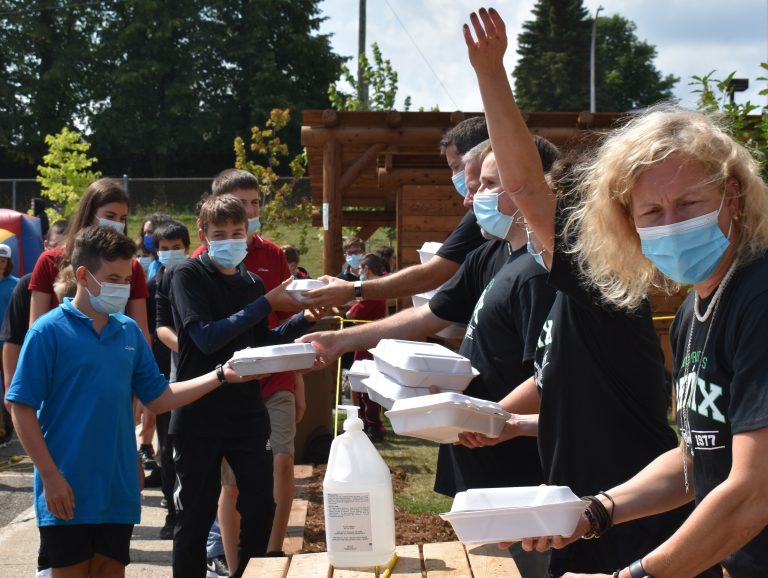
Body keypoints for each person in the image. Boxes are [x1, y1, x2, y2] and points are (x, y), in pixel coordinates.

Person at [458, 9, 722, 578]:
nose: (666, 223)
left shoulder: (603, 289)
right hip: (584, 511)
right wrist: (510, 423)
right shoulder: (569, 295)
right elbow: (578, 402)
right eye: (652, 210)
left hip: (634, 526)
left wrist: (490, 74)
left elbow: (527, 185)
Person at [298, 144, 558, 578]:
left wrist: (492, 419)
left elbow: (549, 378)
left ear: (529, 188)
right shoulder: (491, 255)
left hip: (519, 467)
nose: (471, 198)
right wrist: (341, 341)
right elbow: (428, 315)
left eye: (488, 185)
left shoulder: (540, 272)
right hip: (479, 451)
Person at [5, 225, 269, 578]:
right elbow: (20, 407)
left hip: (118, 487)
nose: (123, 288)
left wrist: (221, 374)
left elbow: (159, 397)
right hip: (66, 486)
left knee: (109, 571)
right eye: (113, 278)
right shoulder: (47, 331)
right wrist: (50, 477)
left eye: (127, 279)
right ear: (83, 276)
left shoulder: (128, 332)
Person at [169, 194, 324, 578]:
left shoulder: (253, 282)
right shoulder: (187, 275)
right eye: (219, 234)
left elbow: (261, 341)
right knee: (195, 517)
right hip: (199, 413)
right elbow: (207, 338)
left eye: (237, 232)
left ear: (249, 232)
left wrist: (302, 320)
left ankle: (248, 574)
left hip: (246, 414)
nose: (230, 241)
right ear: (203, 235)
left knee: (261, 505)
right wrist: (266, 302)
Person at [190, 169, 304, 572]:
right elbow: (203, 338)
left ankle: (270, 555)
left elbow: (273, 331)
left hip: (274, 380)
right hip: (224, 389)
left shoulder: (271, 256)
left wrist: (298, 374)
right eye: (243, 203)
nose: (252, 211)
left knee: (281, 463)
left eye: (255, 204)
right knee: (230, 483)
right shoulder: (194, 269)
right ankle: (229, 558)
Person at [28, 179, 151, 347]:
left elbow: (141, 332)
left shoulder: (132, 266)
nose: (118, 223)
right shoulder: (50, 260)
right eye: (109, 216)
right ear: (88, 214)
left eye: (123, 218)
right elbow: (36, 328)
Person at [0, 220, 68, 450]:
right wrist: (10, 386)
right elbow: (13, 339)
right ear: (47, 246)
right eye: (57, 249)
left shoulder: (85, 284)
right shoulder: (27, 285)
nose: (61, 258)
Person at [346, 254, 389, 441]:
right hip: (370, 342)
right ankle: (369, 423)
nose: (359, 273)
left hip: (368, 345)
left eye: (360, 270)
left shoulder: (373, 291)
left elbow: (351, 314)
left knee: (365, 387)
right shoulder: (378, 289)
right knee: (362, 387)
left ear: (367, 269)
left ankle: (373, 427)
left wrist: (348, 308)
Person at [0, 243, 19, 444]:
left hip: (10, 346)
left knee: (10, 387)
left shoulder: (17, 284)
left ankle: (11, 426)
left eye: (3, 261)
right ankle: (1, 432)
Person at [139, 212, 173, 281]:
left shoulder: (170, 264)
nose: (146, 236)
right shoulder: (153, 265)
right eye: (145, 233)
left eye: (150, 232)